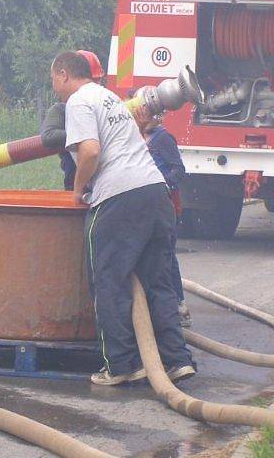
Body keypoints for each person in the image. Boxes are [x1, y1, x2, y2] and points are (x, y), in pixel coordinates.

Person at [50, 51, 195, 386]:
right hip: (155, 193)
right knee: (158, 282)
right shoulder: (111, 99)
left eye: (54, 81)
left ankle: (120, 364)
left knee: (109, 282)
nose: (55, 89)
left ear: (62, 74)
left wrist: (78, 189)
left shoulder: (78, 101)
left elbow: (90, 151)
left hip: (119, 197)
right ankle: (176, 360)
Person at [141, 112, 192, 328]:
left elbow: (178, 170)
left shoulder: (162, 138)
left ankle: (178, 306)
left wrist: (160, 183)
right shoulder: (138, 136)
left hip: (166, 205)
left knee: (166, 256)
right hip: (144, 206)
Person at [40, 50, 104, 190]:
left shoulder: (102, 104)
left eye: (97, 81)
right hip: (76, 185)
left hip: (103, 185)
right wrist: (86, 133)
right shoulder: (62, 109)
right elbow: (48, 137)